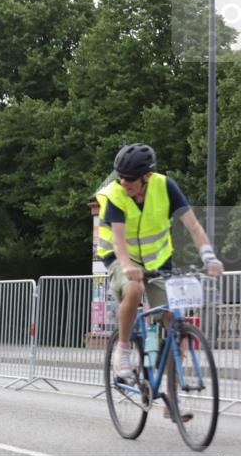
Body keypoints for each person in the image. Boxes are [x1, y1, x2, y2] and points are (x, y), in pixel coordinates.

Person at [96, 143, 223, 421]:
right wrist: (129, 267)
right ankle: (124, 350)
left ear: (147, 177)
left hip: (158, 261)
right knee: (135, 288)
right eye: (121, 177)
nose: (124, 182)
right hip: (119, 259)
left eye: (129, 178)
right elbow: (118, 240)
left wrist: (209, 256)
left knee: (173, 324)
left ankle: (171, 401)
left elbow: (193, 226)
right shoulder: (116, 194)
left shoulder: (165, 186)